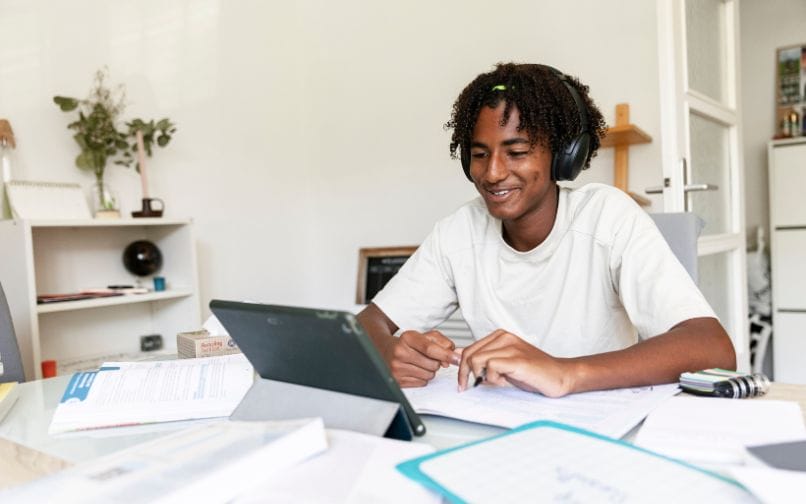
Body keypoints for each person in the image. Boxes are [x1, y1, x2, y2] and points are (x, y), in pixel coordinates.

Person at [356, 63, 736, 398]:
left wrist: (564, 371)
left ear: (564, 155)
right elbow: (368, 323)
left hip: (599, 425)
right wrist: (388, 352)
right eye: (479, 154)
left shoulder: (607, 217)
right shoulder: (459, 233)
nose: (492, 173)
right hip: (500, 425)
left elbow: (712, 347)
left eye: (517, 152)